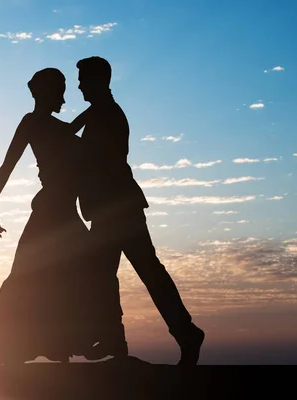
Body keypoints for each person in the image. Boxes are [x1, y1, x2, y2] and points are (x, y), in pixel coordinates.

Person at [0, 68, 127, 367]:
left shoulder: (61, 127)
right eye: (60, 90)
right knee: (31, 277)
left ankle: (65, 339)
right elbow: (8, 163)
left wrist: (102, 106)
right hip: (50, 213)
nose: (64, 97)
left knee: (63, 277)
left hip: (65, 212)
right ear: (45, 93)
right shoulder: (32, 123)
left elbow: (84, 124)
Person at [74, 56, 205, 366]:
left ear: (97, 81)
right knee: (111, 274)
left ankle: (178, 333)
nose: (78, 85)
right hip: (113, 208)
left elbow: (95, 156)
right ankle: (119, 338)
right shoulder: (99, 111)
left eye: (83, 79)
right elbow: (76, 132)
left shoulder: (106, 114)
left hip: (116, 209)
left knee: (134, 273)